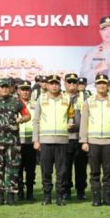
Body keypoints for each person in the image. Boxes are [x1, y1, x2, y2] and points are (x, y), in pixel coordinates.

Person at [0, 78, 30, 205]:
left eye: (7, 87)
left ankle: (11, 196)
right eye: (2, 87)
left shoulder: (16, 101)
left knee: (13, 169)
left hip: (12, 143)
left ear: (11, 88)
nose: (4, 89)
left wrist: (21, 120)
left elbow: (27, 115)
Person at [79, 73, 110, 206]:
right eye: (99, 83)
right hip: (93, 142)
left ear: (108, 86)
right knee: (94, 172)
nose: (102, 86)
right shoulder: (88, 102)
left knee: (109, 171)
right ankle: (96, 198)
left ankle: (108, 198)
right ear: (95, 85)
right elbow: (84, 122)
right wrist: (84, 141)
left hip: (109, 142)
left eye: (104, 83)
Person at [33, 75, 72, 205]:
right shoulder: (41, 98)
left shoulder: (67, 98)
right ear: (47, 85)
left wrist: (70, 123)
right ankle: (47, 197)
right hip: (45, 141)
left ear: (59, 85)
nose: (54, 86)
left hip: (62, 141)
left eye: (56, 83)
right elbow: (36, 120)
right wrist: (36, 140)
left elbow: (71, 115)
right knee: (46, 171)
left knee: (62, 171)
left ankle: (60, 197)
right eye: (51, 83)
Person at [16, 80, 36, 201]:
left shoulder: (36, 104)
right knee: (17, 169)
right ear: (18, 91)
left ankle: (30, 193)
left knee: (30, 170)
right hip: (17, 141)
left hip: (31, 141)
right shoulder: (14, 104)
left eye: (27, 89)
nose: (25, 92)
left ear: (31, 91)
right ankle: (19, 193)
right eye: (23, 89)